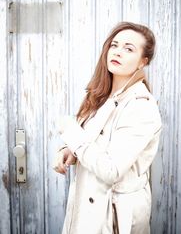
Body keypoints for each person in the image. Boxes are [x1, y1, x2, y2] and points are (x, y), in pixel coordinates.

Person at [53, 21, 162, 234]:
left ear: (143, 62)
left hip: (113, 218)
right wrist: (69, 151)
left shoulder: (140, 106)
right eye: (114, 45)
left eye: (129, 48)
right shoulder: (101, 95)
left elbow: (110, 169)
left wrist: (70, 131)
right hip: (86, 212)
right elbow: (92, 143)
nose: (118, 52)